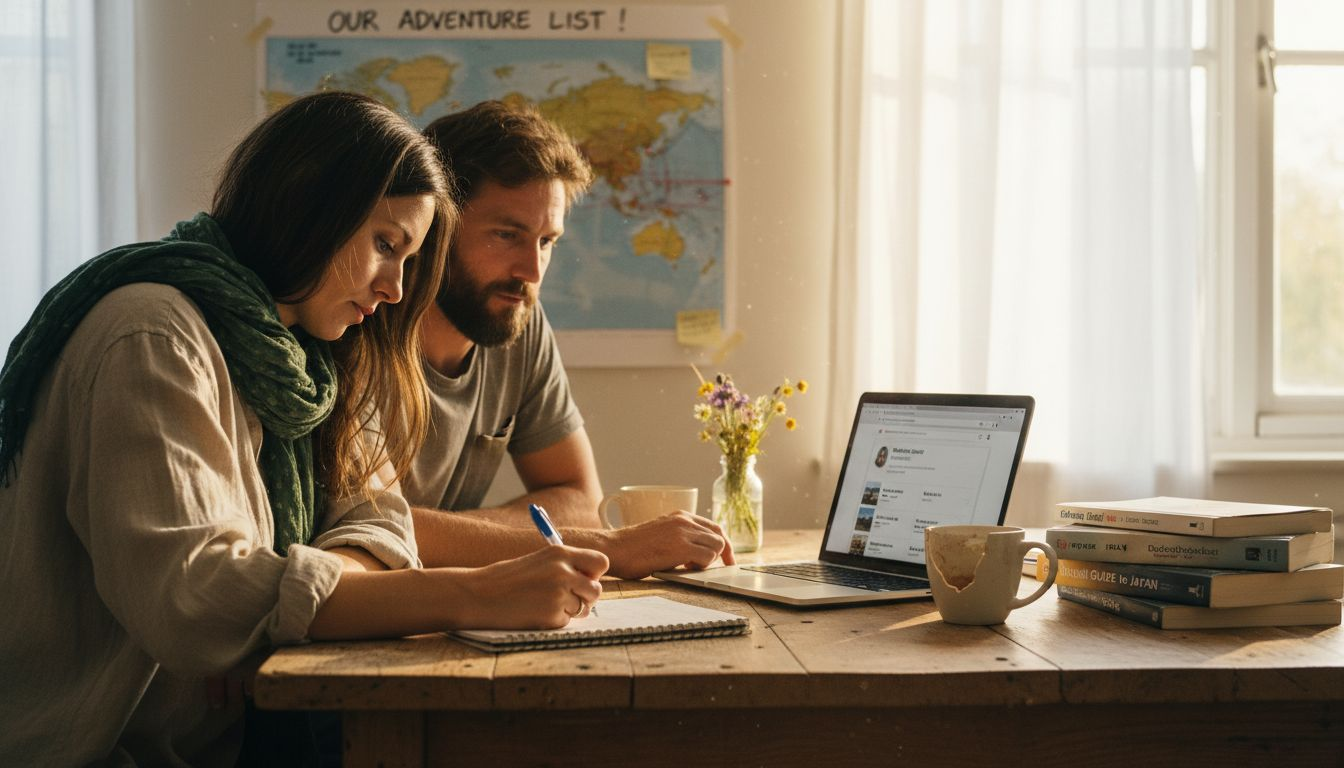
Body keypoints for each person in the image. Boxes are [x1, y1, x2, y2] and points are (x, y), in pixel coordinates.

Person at [0, 91, 607, 766]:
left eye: (409, 259)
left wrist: (292, 603)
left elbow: (379, 519)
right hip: (107, 750)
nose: (396, 290)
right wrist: (473, 594)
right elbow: (199, 602)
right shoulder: (154, 333)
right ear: (310, 212)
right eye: (386, 245)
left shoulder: (312, 354)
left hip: (228, 737)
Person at [404, 100, 735, 578]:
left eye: (546, 241)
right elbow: (366, 527)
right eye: (506, 235)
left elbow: (580, 501)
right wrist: (611, 547)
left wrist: (452, 536)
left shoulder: (519, 320)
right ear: (436, 226)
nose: (531, 271)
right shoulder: (364, 328)